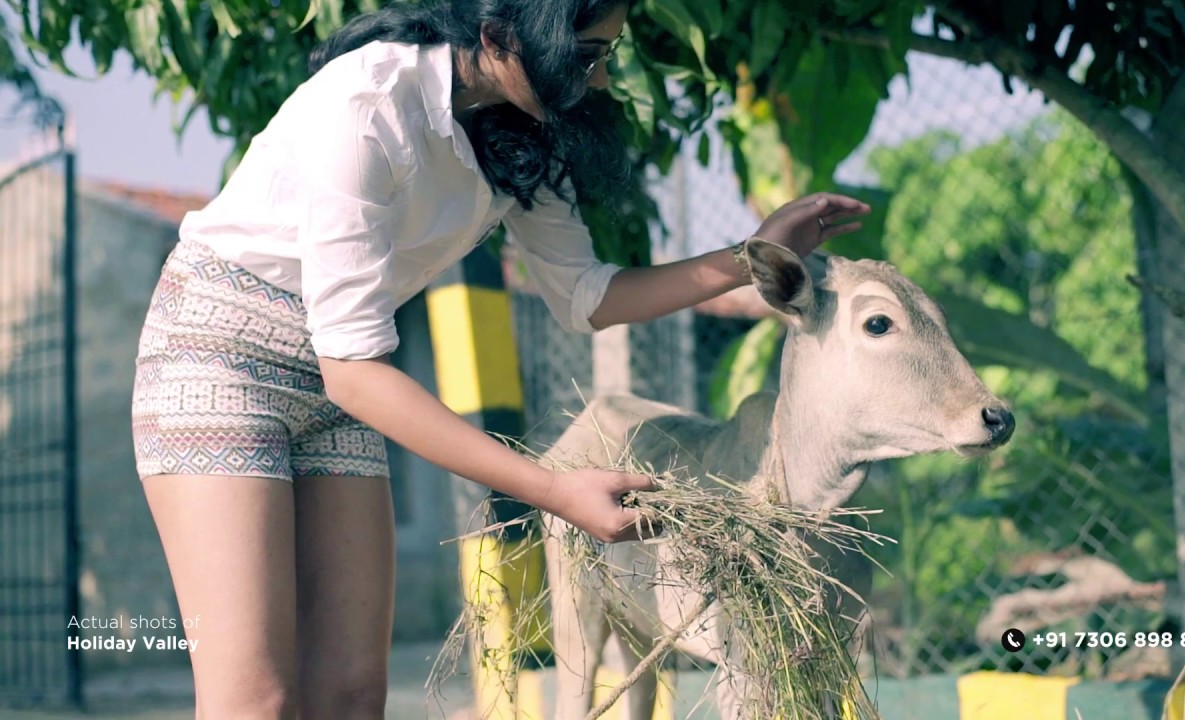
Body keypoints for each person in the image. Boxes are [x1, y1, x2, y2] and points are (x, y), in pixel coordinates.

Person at [130, 0, 870, 716]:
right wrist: (551, 489)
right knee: (255, 699)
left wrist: (752, 256)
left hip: (337, 376)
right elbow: (355, 371)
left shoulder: (518, 130)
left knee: (353, 694)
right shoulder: (366, 105)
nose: (602, 80)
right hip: (222, 355)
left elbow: (587, 296)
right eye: (586, 55)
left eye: (605, 55)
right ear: (497, 37)